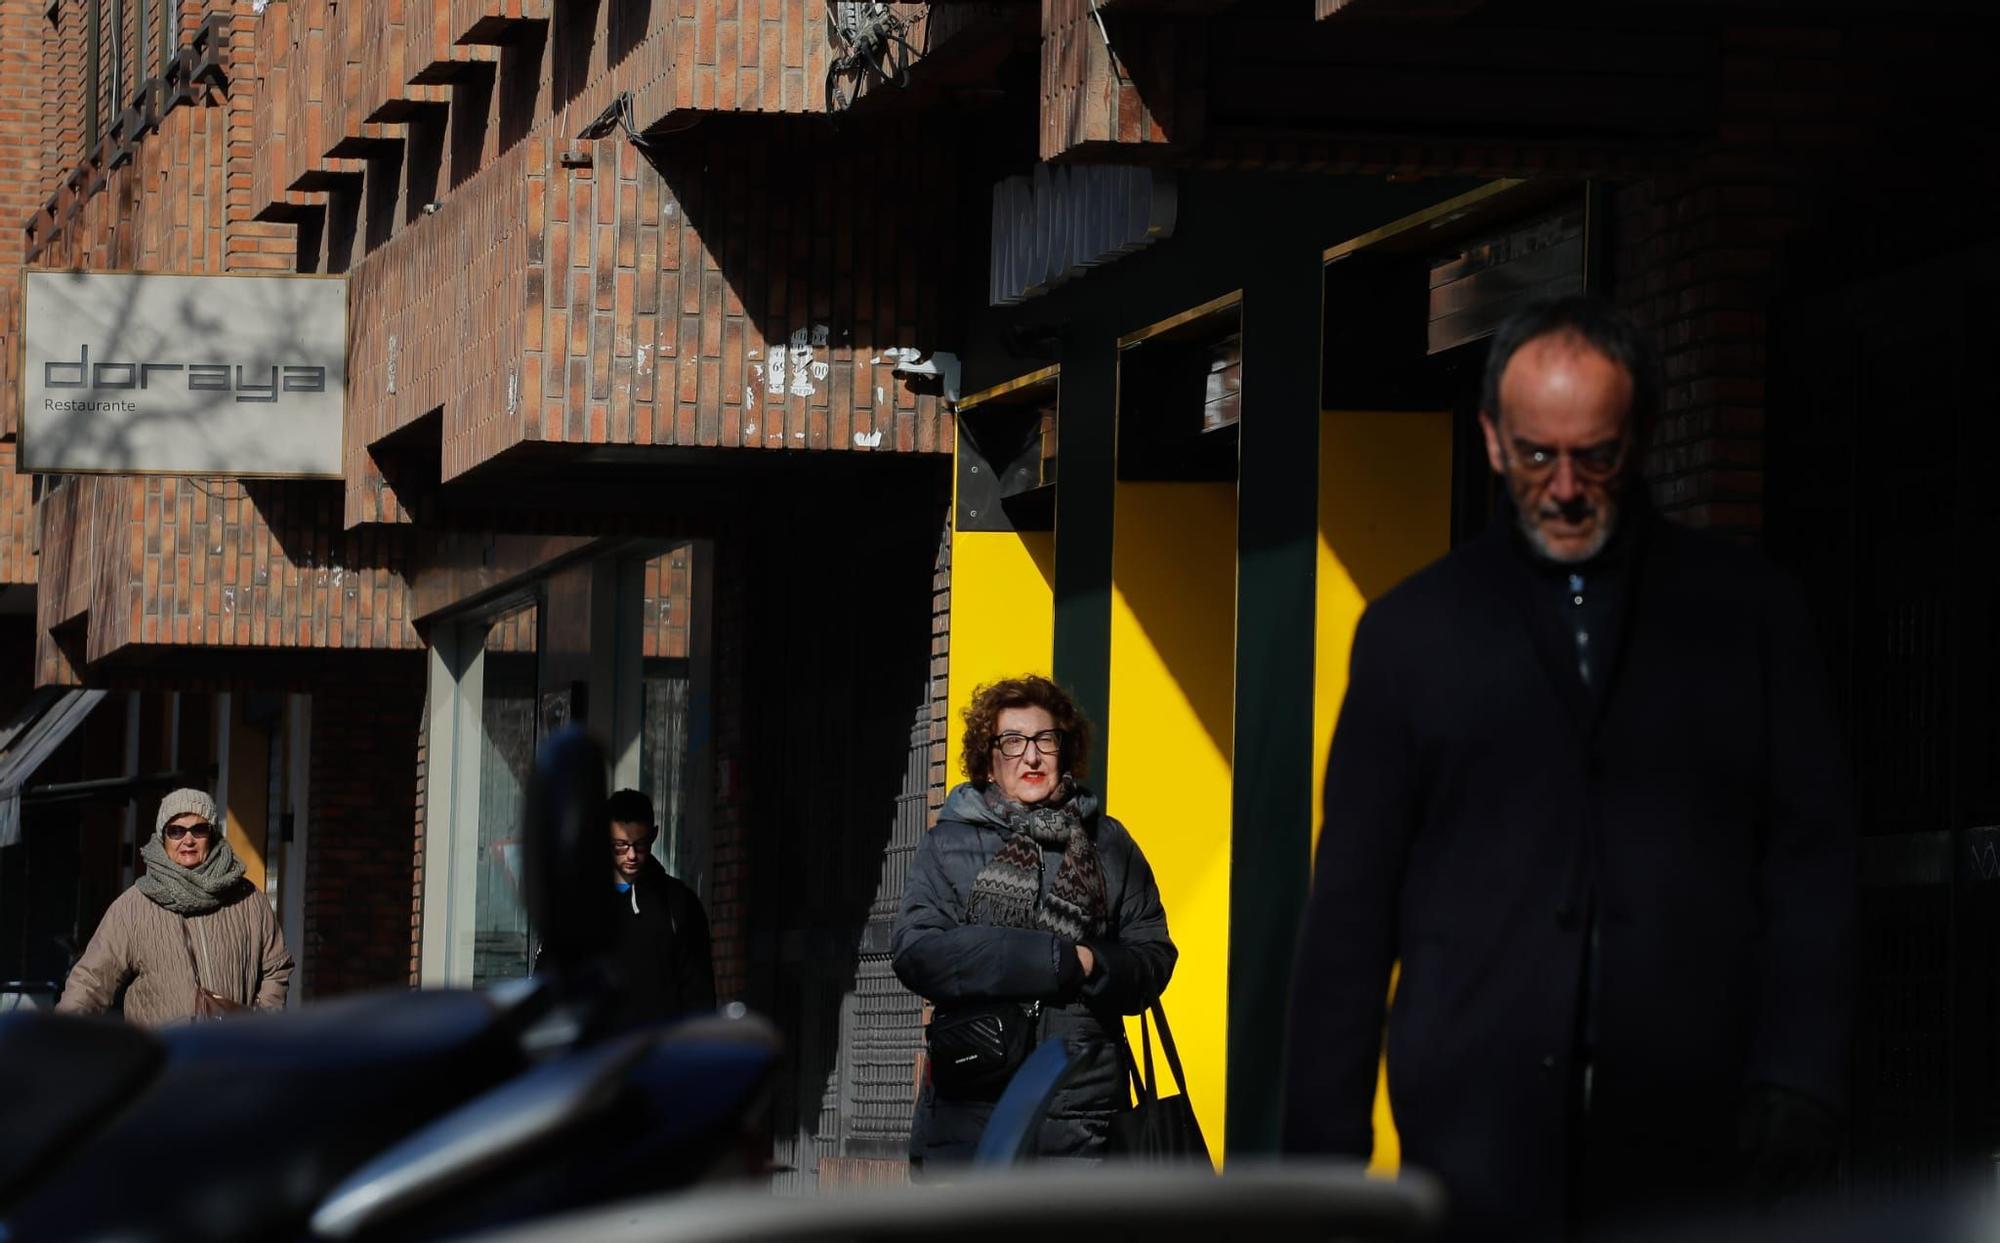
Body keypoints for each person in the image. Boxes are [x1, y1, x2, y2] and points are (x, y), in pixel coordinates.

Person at [1282, 296, 1855, 1239]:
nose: (1565, 487)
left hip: (1697, 1118)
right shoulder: (1412, 633)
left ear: (1640, 440)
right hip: (1473, 1124)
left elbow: (1811, 862)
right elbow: (1353, 902)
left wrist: (1802, 1072)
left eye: (1595, 455)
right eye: (1538, 454)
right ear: (1494, 442)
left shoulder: (1749, 614)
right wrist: (1319, 1155)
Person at [893, 675, 1176, 1169]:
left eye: (1045, 739)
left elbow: (1153, 957)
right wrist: (1046, 960)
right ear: (989, 757)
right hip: (969, 1106)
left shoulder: (1108, 843)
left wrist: (1090, 963)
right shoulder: (949, 843)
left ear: (1065, 749)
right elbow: (917, 952)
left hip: (1083, 1112)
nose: (1032, 756)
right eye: (1013, 741)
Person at [57, 789, 293, 1025]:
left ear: (212, 834)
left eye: (198, 829)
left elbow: (276, 968)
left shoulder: (248, 899)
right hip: (164, 1055)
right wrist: (60, 1034)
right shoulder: (132, 907)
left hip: (232, 1054)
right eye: (176, 831)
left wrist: (261, 1022)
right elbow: (91, 980)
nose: (187, 840)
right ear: (163, 837)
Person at [599, 788, 715, 1028]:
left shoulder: (678, 903)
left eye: (639, 845)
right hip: (598, 1058)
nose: (631, 855)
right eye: (620, 845)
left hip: (661, 1055)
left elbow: (699, 996)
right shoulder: (583, 903)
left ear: (654, 836)